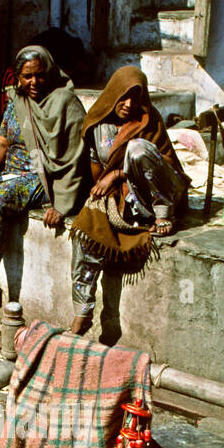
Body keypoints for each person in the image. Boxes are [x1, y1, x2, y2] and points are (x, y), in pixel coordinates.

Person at [0, 45, 89, 306]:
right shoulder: (18, 101)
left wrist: (62, 205)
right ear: (18, 77)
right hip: (13, 173)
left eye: (40, 75)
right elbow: (2, 142)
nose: (34, 82)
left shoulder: (65, 102)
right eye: (27, 76)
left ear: (50, 72)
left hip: (44, 177)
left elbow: (77, 157)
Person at [68, 66, 190, 335]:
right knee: (86, 233)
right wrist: (105, 184)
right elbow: (95, 171)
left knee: (137, 148)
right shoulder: (98, 126)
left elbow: (166, 165)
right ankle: (82, 311)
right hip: (124, 197)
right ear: (113, 94)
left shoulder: (149, 121)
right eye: (124, 96)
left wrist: (116, 175)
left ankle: (162, 216)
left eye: (136, 97)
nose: (129, 104)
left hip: (156, 193)